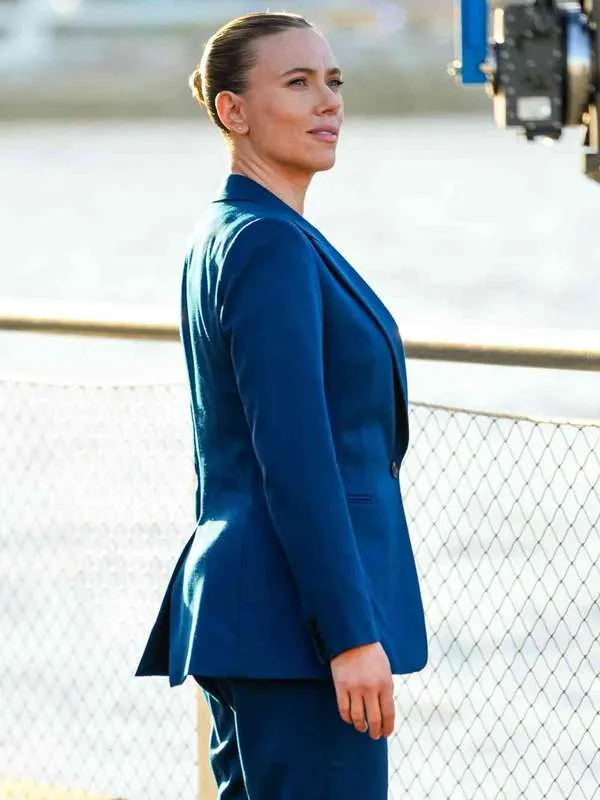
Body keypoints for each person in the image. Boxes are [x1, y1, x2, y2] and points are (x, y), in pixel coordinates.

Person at [135, 11, 427, 799]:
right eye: (298, 82)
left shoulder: (232, 230)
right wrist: (349, 635)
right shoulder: (267, 243)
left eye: (334, 81)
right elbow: (294, 460)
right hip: (294, 634)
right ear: (233, 110)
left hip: (254, 619)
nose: (328, 101)